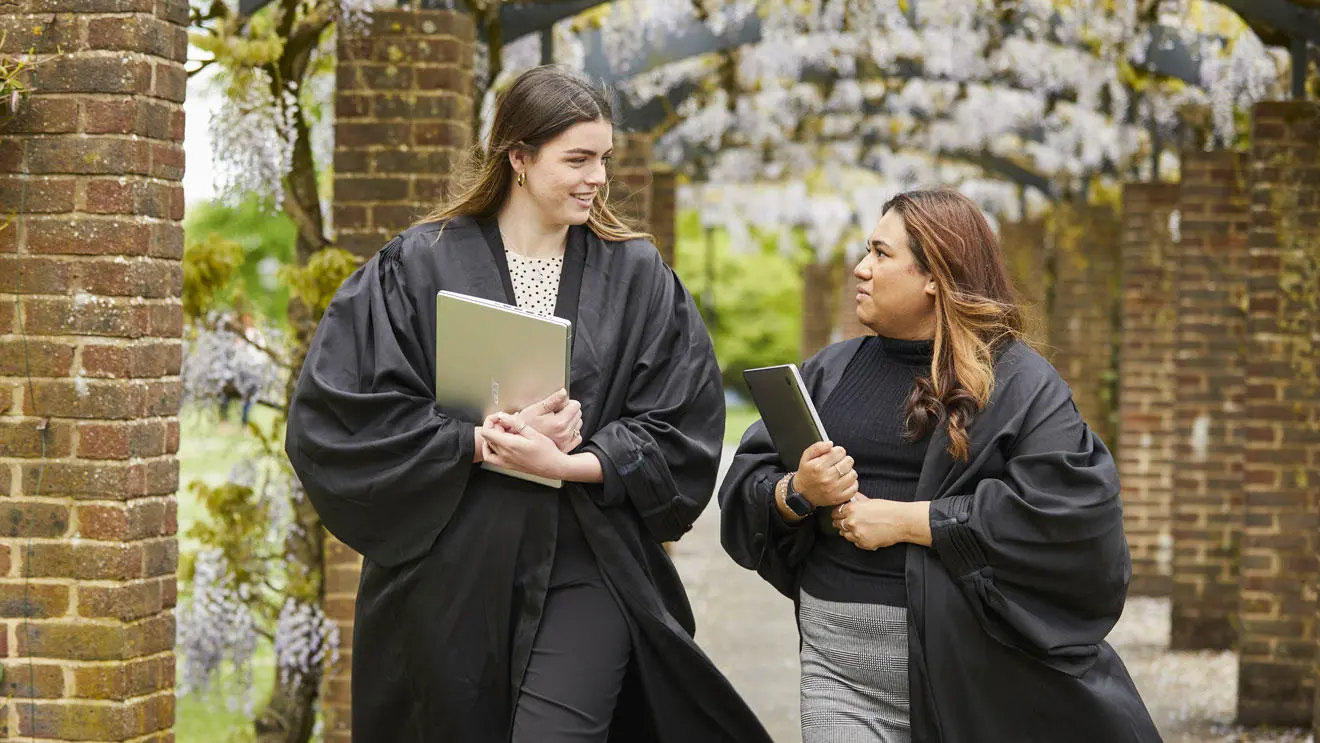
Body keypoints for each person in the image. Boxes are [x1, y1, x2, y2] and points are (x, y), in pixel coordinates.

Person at [285, 66, 770, 743]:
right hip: (449, 571)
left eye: (604, 158)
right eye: (577, 159)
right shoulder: (419, 265)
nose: (598, 177)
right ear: (518, 156)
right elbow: (339, 415)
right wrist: (479, 443)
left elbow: (679, 425)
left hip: (587, 561)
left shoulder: (637, 276)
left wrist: (569, 463)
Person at [719, 189, 1160, 742]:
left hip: (972, 676)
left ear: (935, 275)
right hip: (837, 674)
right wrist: (796, 490)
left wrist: (912, 521)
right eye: (866, 251)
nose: (860, 268)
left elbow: (1071, 514)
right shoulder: (829, 373)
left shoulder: (1019, 386)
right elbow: (750, 483)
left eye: (881, 254)